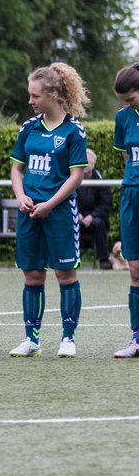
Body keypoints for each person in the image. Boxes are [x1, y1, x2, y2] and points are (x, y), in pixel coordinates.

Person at [9, 63, 89, 358]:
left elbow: (76, 176)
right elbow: (16, 169)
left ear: (54, 95)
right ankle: (31, 339)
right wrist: (21, 196)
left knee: (66, 275)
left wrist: (50, 204)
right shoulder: (29, 128)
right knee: (32, 276)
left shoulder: (73, 131)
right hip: (29, 212)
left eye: (35, 95)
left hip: (58, 213)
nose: (30, 101)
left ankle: (68, 338)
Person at [110, 63, 139, 357]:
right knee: (135, 270)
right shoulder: (123, 118)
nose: (126, 105)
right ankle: (137, 339)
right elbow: (127, 160)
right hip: (132, 195)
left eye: (131, 99)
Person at [76, 149, 113, 270]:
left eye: (88, 162)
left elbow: (106, 204)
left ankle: (104, 260)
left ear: (93, 164)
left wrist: (92, 216)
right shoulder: (72, 179)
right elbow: (66, 198)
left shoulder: (101, 181)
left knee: (98, 223)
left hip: (95, 218)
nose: (85, 164)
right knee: (68, 222)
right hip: (76, 217)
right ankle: (69, 259)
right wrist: (77, 215)